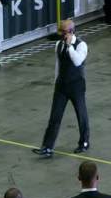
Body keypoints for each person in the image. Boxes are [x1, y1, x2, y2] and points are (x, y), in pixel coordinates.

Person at [32, 20, 90, 158]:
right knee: (54, 117)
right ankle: (47, 147)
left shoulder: (81, 45)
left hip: (76, 86)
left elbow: (77, 61)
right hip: (61, 86)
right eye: (60, 31)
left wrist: (70, 46)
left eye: (63, 32)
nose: (61, 34)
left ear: (71, 31)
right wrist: (56, 81)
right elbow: (58, 64)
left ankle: (84, 142)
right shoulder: (58, 44)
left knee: (81, 115)